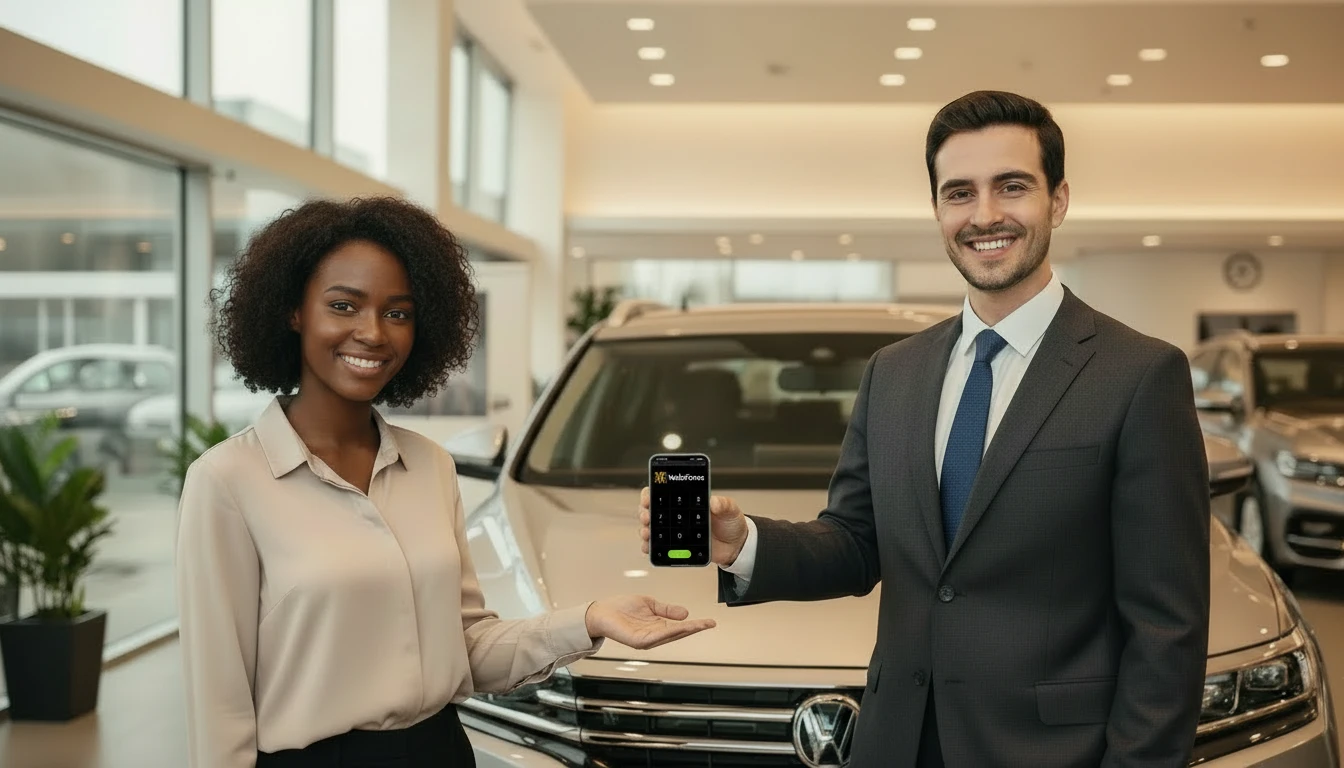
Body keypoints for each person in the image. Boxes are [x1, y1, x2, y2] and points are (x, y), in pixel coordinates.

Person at [639, 90, 1211, 767]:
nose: (985, 215)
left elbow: (1167, 626)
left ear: (1057, 199)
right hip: (895, 742)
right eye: (959, 193)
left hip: (1054, 752)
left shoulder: (1140, 376)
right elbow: (857, 542)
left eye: (1013, 187)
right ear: (938, 209)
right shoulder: (895, 372)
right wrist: (744, 544)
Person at [177, 196, 716, 768]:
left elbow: (467, 649)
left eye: (398, 313)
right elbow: (220, 707)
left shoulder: (430, 466)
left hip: (440, 751)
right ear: (293, 312)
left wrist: (588, 620)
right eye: (344, 305)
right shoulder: (227, 481)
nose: (373, 333)